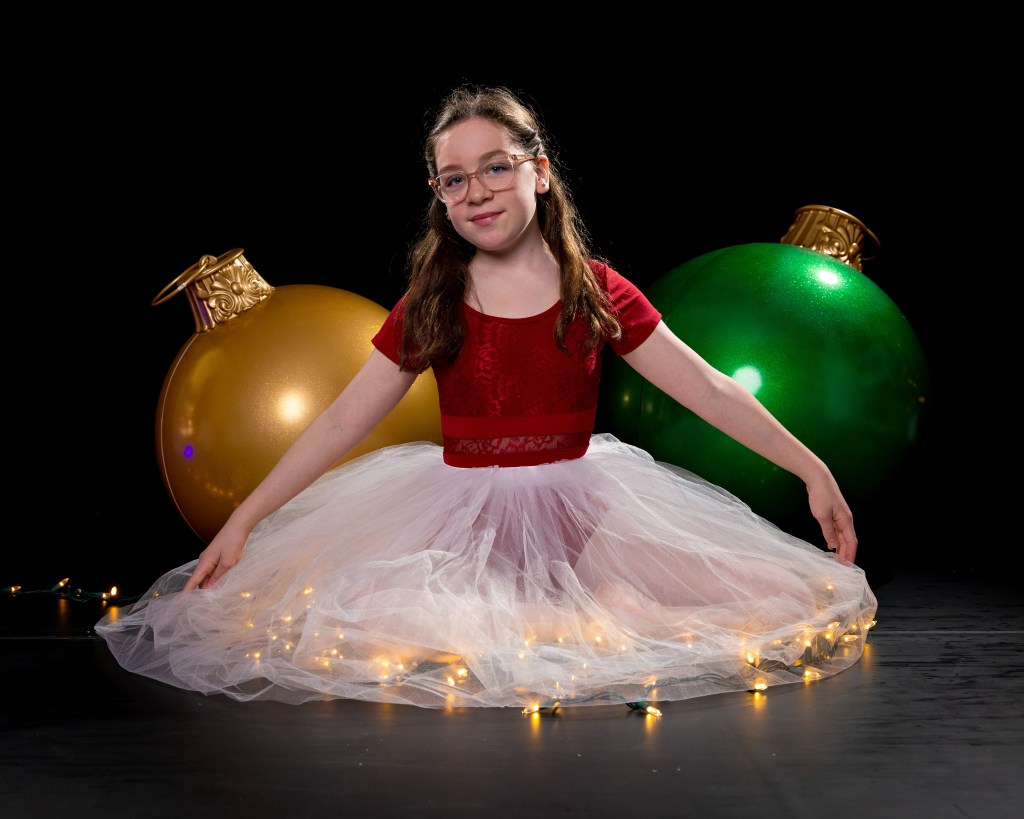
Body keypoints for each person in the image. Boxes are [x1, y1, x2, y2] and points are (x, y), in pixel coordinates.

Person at [96, 85, 877, 711]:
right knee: (358, 622)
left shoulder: (594, 290)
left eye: (497, 166)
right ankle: (567, 626)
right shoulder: (434, 298)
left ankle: (580, 617)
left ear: (540, 170)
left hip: (586, 511)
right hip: (457, 519)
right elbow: (341, 418)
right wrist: (244, 520)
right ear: (439, 195)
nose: (478, 191)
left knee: (768, 595)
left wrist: (812, 468)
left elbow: (706, 384)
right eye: (455, 178)